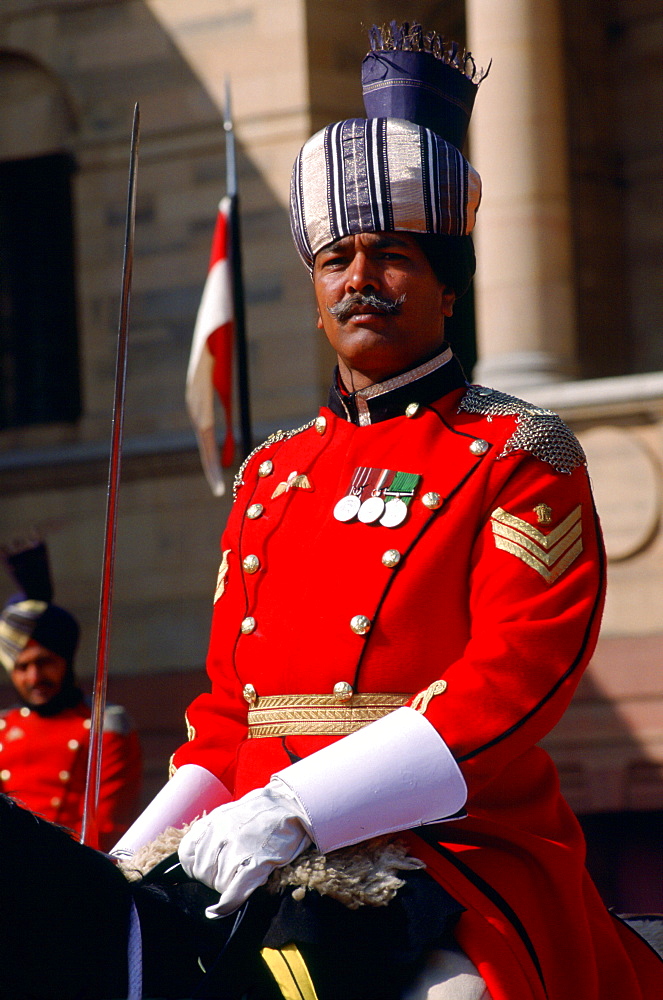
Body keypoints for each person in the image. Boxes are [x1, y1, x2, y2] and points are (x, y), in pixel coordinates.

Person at [110, 22, 661, 1000]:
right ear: (316, 298)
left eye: (393, 254)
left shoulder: (518, 449)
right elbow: (225, 716)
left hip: (453, 855)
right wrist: (128, 859)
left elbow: (509, 682)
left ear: (449, 286)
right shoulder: (272, 471)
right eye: (337, 260)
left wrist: (297, 807)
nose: (360, 277)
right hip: (245, 853)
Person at [0, 541, 142, 852]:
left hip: (74, 874)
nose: (35, 677)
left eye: (45, 662)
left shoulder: (107, 726)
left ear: (66, 659)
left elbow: (105, 828)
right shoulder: (2, 729)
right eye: (22, 667)